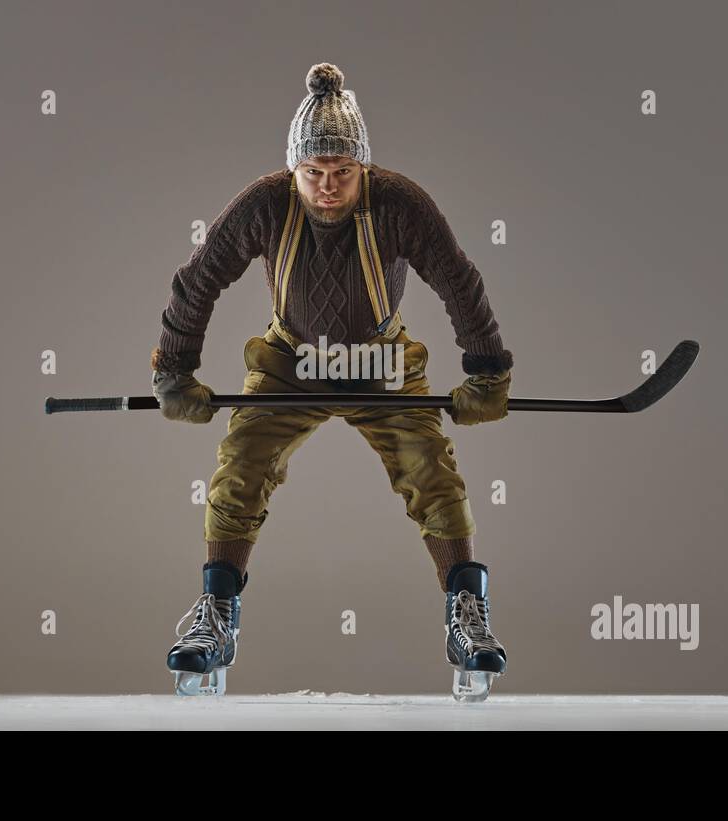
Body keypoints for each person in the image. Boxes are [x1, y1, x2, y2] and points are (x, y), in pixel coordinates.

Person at [150, 63, 512, 701]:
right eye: (313, 173)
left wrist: (486, 370)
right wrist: (176, 370)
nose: (327, 186)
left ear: (362, 168)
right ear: (294, 168)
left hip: (381, 363)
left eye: (342, 172)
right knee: (240, 468)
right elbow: (200, 276)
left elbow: (457, 278)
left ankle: (467, 616)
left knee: (430, 471)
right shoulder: (265, 203)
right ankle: (216, 614)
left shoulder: (399, 202)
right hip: (291, 363)